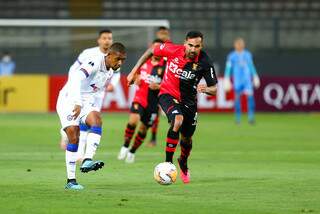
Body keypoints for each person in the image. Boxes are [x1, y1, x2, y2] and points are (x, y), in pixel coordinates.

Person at [127, 31, 218, 184]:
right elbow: (151, 50)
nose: (193, 49)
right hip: (167, 94)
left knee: (187, 138)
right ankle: (168, 164)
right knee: (177, 120)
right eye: (190, 45)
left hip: (189, 102)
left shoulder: (205, 62)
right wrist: (133, 71)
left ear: (201, 46)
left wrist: (206, 89)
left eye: (197, 46)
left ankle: (183, 161)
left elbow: (214, 89)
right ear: (184, 43)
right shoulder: (172, 50)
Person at [56, 42, 126, 190]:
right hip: (69, 99)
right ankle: (71, 180)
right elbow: (76, 78)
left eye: (122, 60)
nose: (120, 63)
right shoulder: (94, 62)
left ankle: (87, 159)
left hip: (86, 101)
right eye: (117, 59)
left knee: (97, 120)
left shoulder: (110, 71)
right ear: (109, 55)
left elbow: (93, 89)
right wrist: (77, 102)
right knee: (74, 136)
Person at [59, 29, 121, 163]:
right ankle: (70, 141)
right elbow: (73, 69)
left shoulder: (116, 57)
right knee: (77, 123)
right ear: (99, 40)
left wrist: (113, 85)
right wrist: (73, 85)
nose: (107, 41)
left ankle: (83, 155)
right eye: (104, 38)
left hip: (96, 94)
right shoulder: (88, 53)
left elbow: (116, 74)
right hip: (80, 91)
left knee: (90, 123)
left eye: (109, 38)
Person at [118, 39, 166, 163]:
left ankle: (132, 151)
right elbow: (135, 75)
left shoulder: (166, 66)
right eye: (154, 48)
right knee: (133, 121)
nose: (156, 51)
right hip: (140, 97)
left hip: (154, 103)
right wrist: (135, 78)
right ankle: (125, 145)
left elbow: (172, 84)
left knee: (143, 129)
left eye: (158, 48)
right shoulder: (144, 62)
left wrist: (159, 86)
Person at [223, 38, 260, 124]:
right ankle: (238, 118)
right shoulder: (231, 56)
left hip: (247, 80)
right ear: (235, 45)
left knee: (250, 98)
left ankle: (251, 117)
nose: (239, 45)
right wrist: (227, 78)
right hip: (238, 80)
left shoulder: (247, 55)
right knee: (237, 99)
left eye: (241, 44)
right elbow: (228, 68)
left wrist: (255, 76)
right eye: (238, 44)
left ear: (243, 45)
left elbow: (251, 66)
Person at [146, 26, 171, 147]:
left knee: (168, 115)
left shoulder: (170, 49)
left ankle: (154, 138)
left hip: (166, 85)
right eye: (161, 33)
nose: (163, 36)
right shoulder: (153, 49)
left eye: (165, 34)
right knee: (151, 114)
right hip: (152, 85)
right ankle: (151, 137)